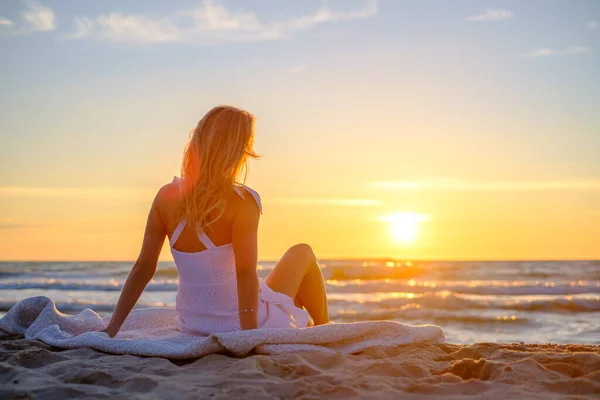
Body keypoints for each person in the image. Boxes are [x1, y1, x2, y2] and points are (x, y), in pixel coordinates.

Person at [101, 106, 329, 337]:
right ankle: (324, 329)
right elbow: (245, 273)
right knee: (302, 253)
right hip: (241, 323)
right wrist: (248, 337)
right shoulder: (243, 201)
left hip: (192, 324)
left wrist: (112, 329)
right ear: (238, 151)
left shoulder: (165, 197)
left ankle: (309, 326)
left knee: (277, 294)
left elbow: (143, 267)